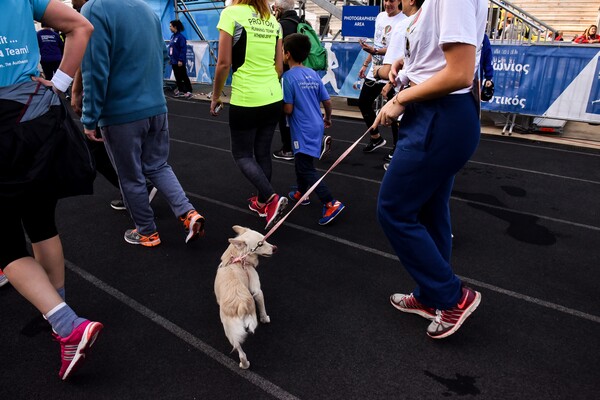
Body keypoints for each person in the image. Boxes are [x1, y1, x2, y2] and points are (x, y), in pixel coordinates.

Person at [0, 0, 102, 380]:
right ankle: (56, 304)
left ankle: (66, 324)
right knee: (41, 220)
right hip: (37, 113)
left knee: (6, 244)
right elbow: (82, 28)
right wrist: (59, 83)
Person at [372, 0, 485, 339]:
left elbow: (461, 72)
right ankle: (430, 295)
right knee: (430, 210)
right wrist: (405, 69)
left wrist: (401, 99)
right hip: (435, 115)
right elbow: (439, 61)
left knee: (393, 210)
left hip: (440, 117)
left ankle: (452, 296)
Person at [80, 0, 205, 247]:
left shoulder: (95, 8)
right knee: (159, 165)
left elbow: (94, 69)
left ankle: (147, 231)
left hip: (121, 112)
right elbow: (161, 55)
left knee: (130, 177)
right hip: (156, 106)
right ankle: (188, 212)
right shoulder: (146, 9)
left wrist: (89, 117)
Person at [210, 0, 288, 231]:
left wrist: (215, 96)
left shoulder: (231, 14)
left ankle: (271, 199)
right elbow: (280, 68)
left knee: (242, 155)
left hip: (247, 98)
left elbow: (224, 62)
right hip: (273, 96)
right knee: (262, 152)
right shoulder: (273, 20)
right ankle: (263, 202)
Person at [282, 33, 345, 225]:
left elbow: (288, 108)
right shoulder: (313, 74)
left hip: (302, 127)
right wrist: (328, 117)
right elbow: (327, 101)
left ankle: (330, 202)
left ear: (287, 54)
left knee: (305, 166)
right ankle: (303, 192)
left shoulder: (287, 77)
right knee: (301, 159)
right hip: (316, 124)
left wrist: (277, 104)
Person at [375, 0, 421, 167]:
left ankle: (399, 157)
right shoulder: (429, 20)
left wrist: (378, 72)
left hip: (417, 97)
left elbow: (388, 71)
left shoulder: (406, 25)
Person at [357, 0, 405, 154]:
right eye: (386, 0)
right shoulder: (380, 17)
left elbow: (397, 50)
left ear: (399, 2)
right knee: (363, 102)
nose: (387, 3)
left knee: (394, 114)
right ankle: (376, 137)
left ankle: (398, 149)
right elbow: (376, 44)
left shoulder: (404, 20)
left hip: (392, 72)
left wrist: (376, 51)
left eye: (392, 0)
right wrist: (366, 64)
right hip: (375, 71)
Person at [271, 0, 300, 161]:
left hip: (287, 74)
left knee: (285, 112)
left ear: (280, 9)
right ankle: (316, 140)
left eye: (275, 8)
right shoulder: (301, 22)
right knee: (302, 109)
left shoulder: (280, 25)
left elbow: (276, 53)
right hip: (304, 71)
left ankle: (288, 148)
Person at [169, 19, 194, 98]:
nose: (169, 28)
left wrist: (180, 60)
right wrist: (171, 58)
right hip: (173, 61)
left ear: (175, 27)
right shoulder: (172, 37)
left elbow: (183, 49)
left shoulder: (181, 37)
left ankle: (189, 90)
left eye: (170, 26)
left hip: (179, 61)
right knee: (177, 76)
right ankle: (181, 90)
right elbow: (171, 48)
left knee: (183, 75)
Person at [480, 33, 494, 102]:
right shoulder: (482, 36)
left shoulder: (482, 36)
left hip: (476, 77)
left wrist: (489, 78)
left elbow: (488, 57)